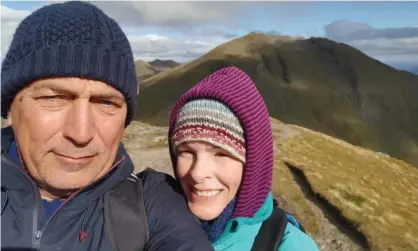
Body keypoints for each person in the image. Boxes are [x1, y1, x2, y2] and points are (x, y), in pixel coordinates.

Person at [0, 2, 214, 251]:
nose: (81, 134)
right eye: (53, 98)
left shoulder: (153, 204)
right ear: (11, 109)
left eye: (106, 102)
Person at [167, 66, 320, 250]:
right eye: (186, 152)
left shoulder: (290, 246)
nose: (198, 173)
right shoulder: (154, 223)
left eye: (222, 154)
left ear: (253, 164)